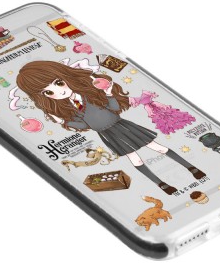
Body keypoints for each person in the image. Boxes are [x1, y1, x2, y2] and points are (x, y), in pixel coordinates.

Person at [17, 61, 206, 194]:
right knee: (134, 158)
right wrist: (62, 122)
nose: (59, 91)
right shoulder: (70, 110)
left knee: (156, 147)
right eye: (49, 92)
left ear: (66, 77)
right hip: (107, 134)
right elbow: (84, 125)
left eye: (59, 83)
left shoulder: (91, 94)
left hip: (122, 125)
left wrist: (108, 93)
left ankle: (191, 168)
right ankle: (161, 184)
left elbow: (114, 108)